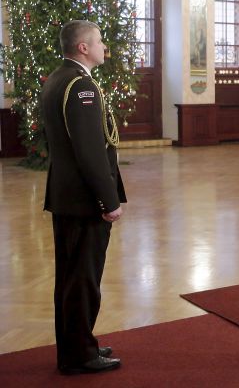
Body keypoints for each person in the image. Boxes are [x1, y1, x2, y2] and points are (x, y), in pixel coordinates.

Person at [40, 20, 126, 374]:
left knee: (70, 277)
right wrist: (109, 201)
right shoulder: (80, 87)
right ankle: (80, 355)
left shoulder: (57, 78)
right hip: (83, 200)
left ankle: (74, 345)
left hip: (66, 195)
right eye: (100, 41)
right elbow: (90, 153)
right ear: (83, 48)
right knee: (83, 280)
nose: (105, 47)